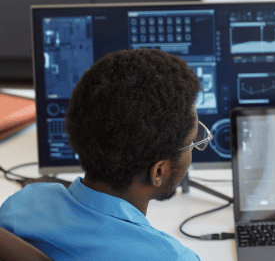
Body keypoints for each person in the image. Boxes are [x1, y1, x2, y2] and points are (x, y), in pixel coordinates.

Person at [0, 49, 209, 260]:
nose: (194, 148)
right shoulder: (174, 257)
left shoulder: (23, 205)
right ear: (158, 171)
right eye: (191, 142)